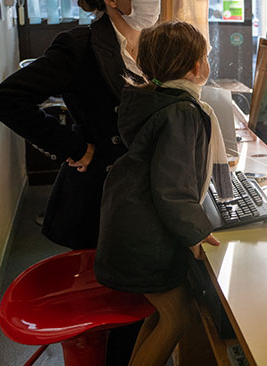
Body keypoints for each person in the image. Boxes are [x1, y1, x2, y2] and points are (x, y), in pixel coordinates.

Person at [0, 0, 160, 365]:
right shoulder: (80, 45)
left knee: (138, 294)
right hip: (101, 194)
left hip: (141, 191)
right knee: (117, 299)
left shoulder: (148, 40)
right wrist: (75, 147)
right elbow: (4, 99)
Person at [95, 21, 221, 366]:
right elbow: (173, 187)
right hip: (145, 241)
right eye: (205, 57)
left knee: (161, 314)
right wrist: (197, 232)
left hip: (132, 230)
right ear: (198, 67)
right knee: (178, 318)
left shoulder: (155, 99)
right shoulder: (182, 111)